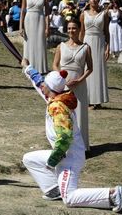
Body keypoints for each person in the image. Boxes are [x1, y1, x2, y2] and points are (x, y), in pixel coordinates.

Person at [21, 59, 122, 212]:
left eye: (44, 86)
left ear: (50, 89)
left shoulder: (58, 108)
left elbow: (65, 137)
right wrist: (28, 68)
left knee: (69, 199)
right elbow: (39, 82)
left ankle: (112, 194)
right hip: (65, 154)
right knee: (29, 159)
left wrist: (53, 160)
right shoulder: (54, 97)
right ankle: (53, 189)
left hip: (70, 158)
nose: (41, 87)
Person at [52, 20, 93, 150]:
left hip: (79, 85)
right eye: (69, 28)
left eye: (74, 28)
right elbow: (55, 64)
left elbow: (90, 68)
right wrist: (61, 78)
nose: (71, 31)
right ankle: (64, 146)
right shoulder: (61, 46)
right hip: (64, 85)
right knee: (63, 115)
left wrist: (80, 80)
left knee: (79, 116)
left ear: (79, 29)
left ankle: (81, 147)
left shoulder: (86, 47)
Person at [79, 0, 109, 110]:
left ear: (98, 0)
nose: (94, 0)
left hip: (99, 42)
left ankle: (97, 100)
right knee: (87, 69)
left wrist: (108, 47)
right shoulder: (83, 14)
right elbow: (82, 31)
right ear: (89, 1)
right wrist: (79, 46)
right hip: (87, 42)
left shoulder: (104, 14)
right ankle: (88, 99)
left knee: (98, 70)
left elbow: (106, 31)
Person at [20, 0, 50, 74]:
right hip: (29, 20)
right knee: (29, 43)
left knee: (40, 43)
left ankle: (40, 67)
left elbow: (47, 14)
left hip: (40, 20)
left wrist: (47, 27)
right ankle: (28, 67)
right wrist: (21, 27)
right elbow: (22, 12)